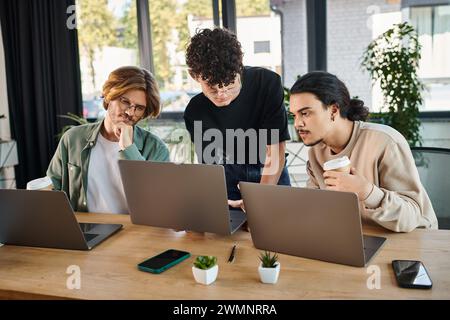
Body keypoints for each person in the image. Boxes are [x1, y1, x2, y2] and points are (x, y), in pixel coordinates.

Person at [289, 71, 438, 232]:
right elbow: (317, 210)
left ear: (333, 110)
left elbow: (412, 216)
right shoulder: (316, 153)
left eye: (305, 113)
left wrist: (366, 192)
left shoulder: (385, 142)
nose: (297, 124)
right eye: (294, 115)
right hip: (360, 238)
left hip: (413, 241)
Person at [184, 28, 291, 211]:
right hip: (226, 178)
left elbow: (275, 151)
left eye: (229, 85)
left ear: (239, 68)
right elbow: (210, 169)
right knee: (224, 235)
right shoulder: (195, 111)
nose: (221, 94)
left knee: (281, 233)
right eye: (212, 87)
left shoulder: (267, 83)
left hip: (269, 170)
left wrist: (259, 202)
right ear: (194, 76)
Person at [47, 66, 169, 213]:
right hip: (86, 231)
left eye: (139, 108)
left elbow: (158, 203)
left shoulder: (156, 148)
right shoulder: (73, 139)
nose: (130, 112)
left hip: (135, 232)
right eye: (125, 101)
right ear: (109, 96)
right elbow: (52, 188)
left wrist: (129, 148)